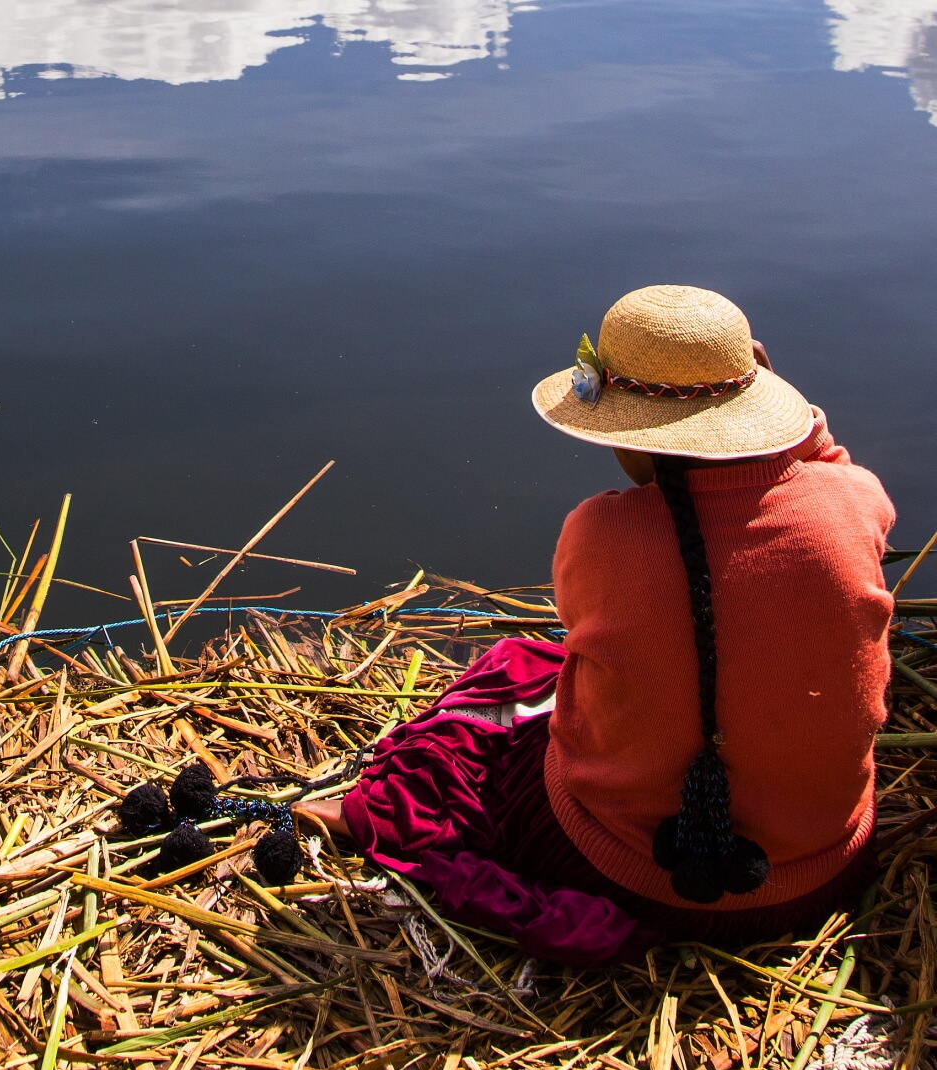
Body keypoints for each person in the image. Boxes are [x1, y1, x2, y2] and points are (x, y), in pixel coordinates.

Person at [299, 285, 896, 964]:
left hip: (626, 875)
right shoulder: (852, 502)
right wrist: (798, 425)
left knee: (500, 709)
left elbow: (600, 635)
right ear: (752, 406)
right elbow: (829, 473)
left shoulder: (601, 532)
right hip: (819, 874)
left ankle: (357, 811)